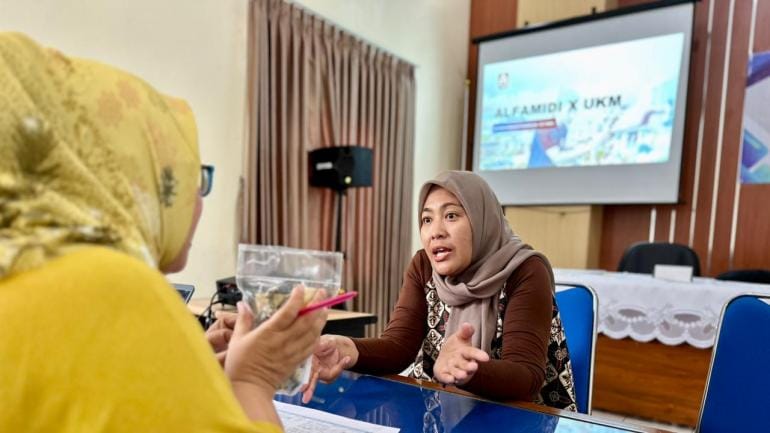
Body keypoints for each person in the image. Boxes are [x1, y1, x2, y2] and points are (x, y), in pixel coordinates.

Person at [0, 32, 327, 432]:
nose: (199, 202)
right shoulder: (110, 284)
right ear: (137, 180)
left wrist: (184, 371)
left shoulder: (23, 272)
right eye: (191, 178)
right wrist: (253, 379)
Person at [305, 170, 577, 410]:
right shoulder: (423, 264)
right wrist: (349, 348)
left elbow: (526, 377)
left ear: (482, 219)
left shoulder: (525, 268)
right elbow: (399, 346)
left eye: (451, 216)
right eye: (426, 219)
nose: (435, 232)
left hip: (521, 417)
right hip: (437, 409)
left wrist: (469, 369)